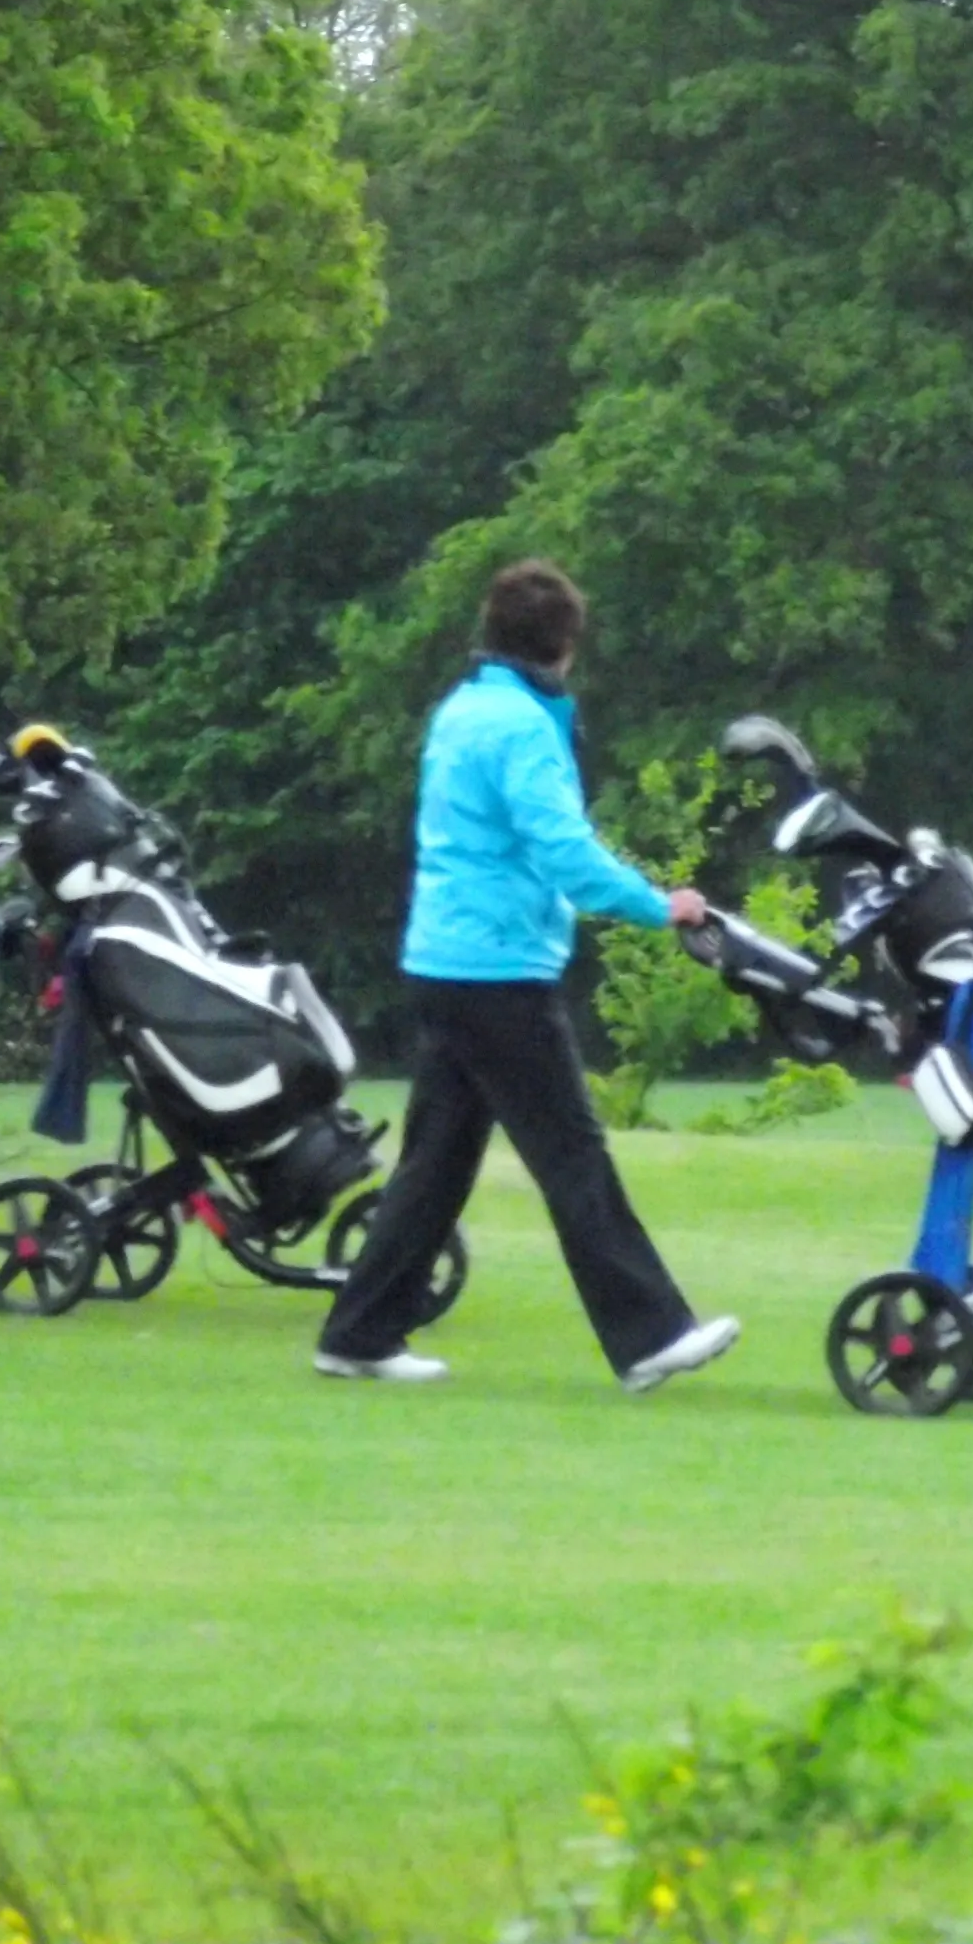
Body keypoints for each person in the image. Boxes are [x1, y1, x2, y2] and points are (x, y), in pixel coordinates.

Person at [317, 559, 740, 1389]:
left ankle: (359, 1334)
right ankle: (652, 1334)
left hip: (442, 960)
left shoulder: (461, 710)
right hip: (498, 971)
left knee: (435, 1162)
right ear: (564, 648)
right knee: (572, 1153)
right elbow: (563, 851)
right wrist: (663, 906)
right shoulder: (520, 727)